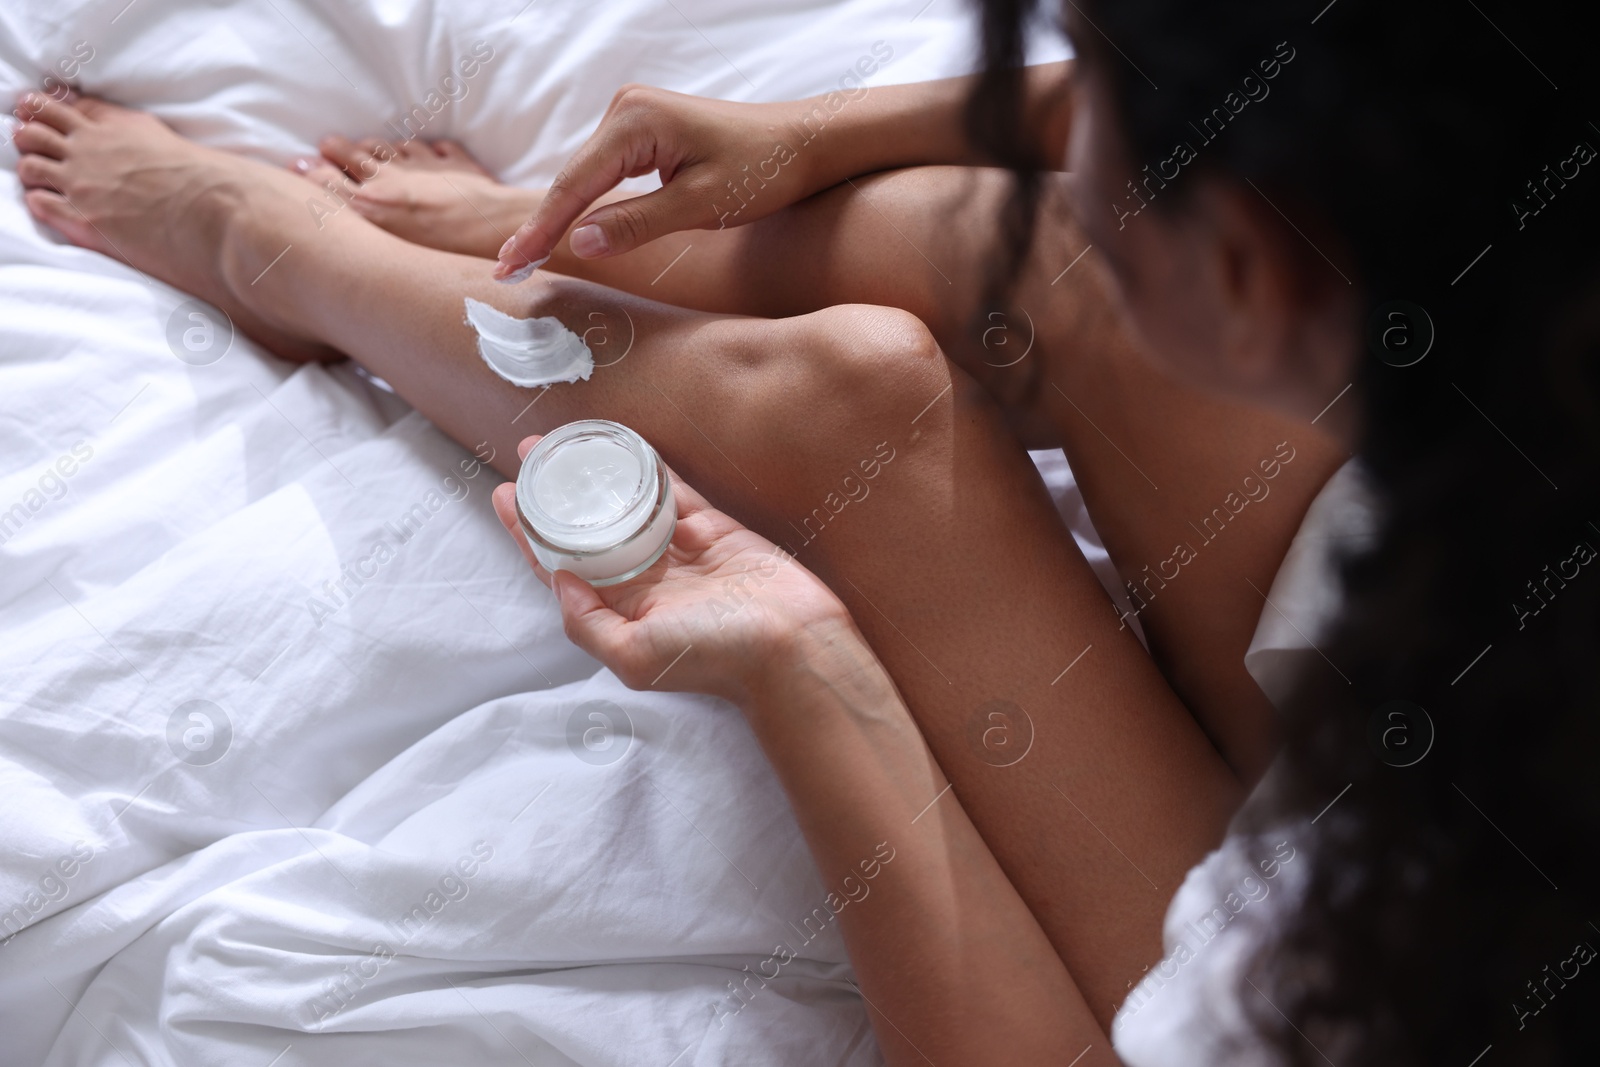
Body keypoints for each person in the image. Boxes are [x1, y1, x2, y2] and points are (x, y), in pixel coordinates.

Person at [11, 0, 1593, 1060]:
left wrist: (801, 665)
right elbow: (1305, 81)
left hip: (1370, 916)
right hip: (1441, 633)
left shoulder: (1402, 956)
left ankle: (276, 250)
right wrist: (821, 135)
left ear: (1261, 278)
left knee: (861, 408)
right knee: (1043, 261)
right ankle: (520, 247)